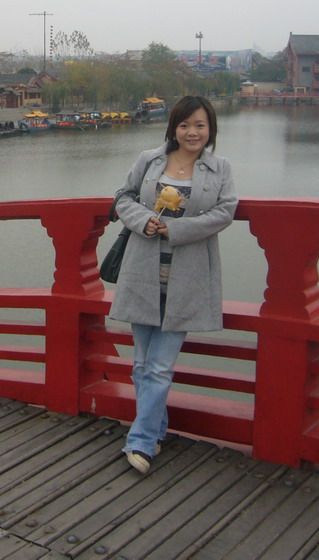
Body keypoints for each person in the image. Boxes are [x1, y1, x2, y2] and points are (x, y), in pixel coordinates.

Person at [110, 95, 239, 474]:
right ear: (173, 128)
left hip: (187, 275)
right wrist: (143, 220)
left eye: (200, 125)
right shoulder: (150, 159)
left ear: (210, 129)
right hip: (142, 271)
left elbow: (225, 211)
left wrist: (176, 228)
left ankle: (141, 441)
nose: (192, 132)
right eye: (185, 125)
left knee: (160, 367)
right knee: (140, 364)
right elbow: (123, 196)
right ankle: (156, 427)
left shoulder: (220, 169)